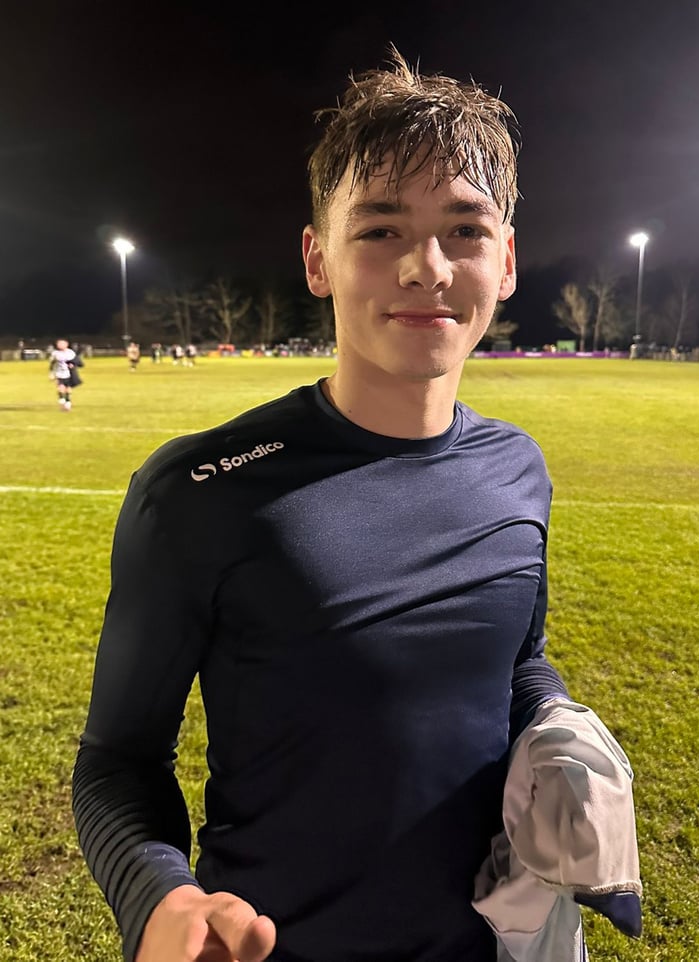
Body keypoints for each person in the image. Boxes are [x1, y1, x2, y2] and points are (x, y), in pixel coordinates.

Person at [72, 46, 623, 962]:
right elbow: (117, 763)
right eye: (379, 230)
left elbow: (516, 659)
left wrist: (558, 724)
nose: (426, 268)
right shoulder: (200, 492)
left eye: (465, 229)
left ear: (507, 261)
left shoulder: (518, 468)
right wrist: (158, 897)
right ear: (317, 259)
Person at [48, 337, 82, 410]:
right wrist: (51, 373)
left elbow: (77, 362)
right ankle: (62, 400)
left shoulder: (70, 352)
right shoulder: (55, 353)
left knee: (68, 388)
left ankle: (67, 402)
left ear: (66, 344)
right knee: (61, 387)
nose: (60, 345)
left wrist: (73, 365)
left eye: (62, 344)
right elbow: (52, 364)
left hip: (69, 373)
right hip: (59, 373)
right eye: (59, 344)